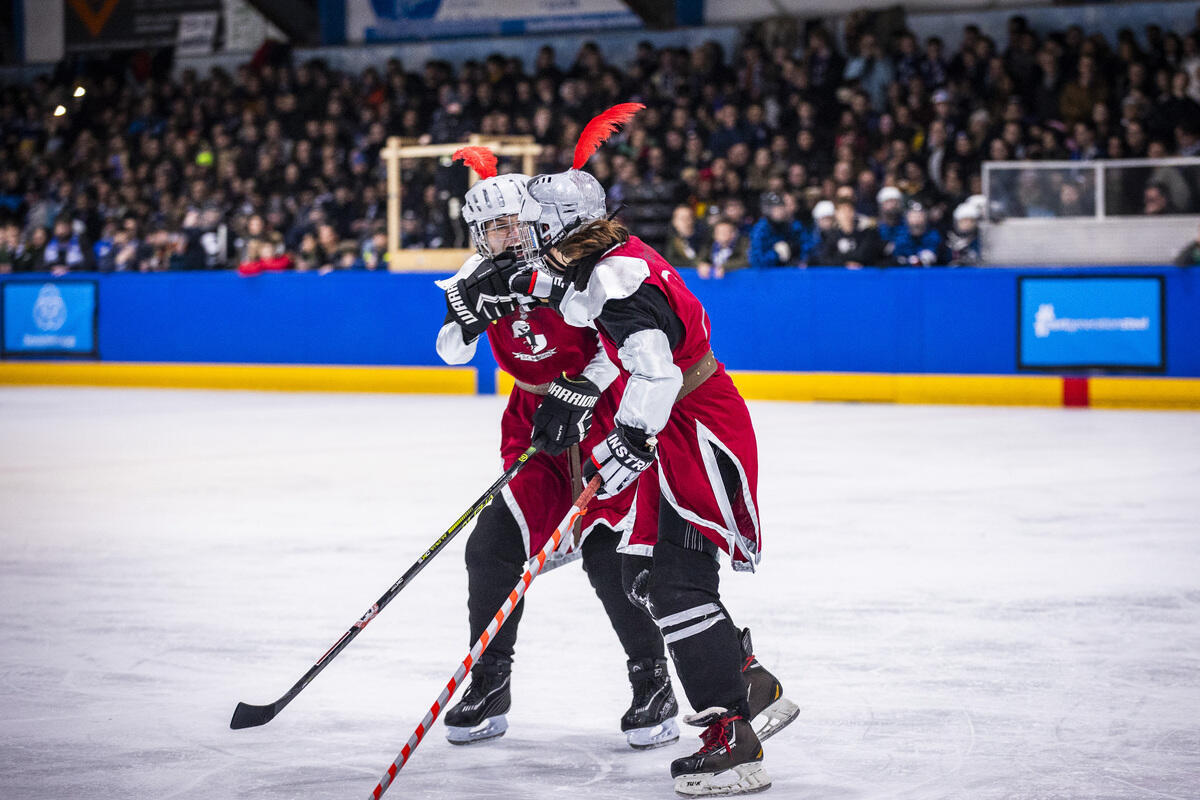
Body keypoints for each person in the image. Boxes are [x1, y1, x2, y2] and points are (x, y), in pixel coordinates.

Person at [513, 105, 797, 796]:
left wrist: (632, 437)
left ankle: (732, 738)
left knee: (674, 584)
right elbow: (628, 345)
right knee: (643, 575)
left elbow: (656, 369)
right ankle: (747, 682)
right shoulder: (611, 261)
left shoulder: (615, 279)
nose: (526, 240)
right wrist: (579, 391)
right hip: (683, 418)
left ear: (558, 228)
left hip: (691, 426)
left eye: (533, 229)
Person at [434, 148, 678, 750]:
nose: (506, 236)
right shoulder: (472, 276)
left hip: (598, 412)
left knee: (607, 555)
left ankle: (653, 685)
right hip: (532, 423)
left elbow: (611, 336)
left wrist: (584, 387)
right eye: (493, 228)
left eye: (515, 224)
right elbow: (451, 353)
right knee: (491, 547)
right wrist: (463, 321)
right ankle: (489, 684)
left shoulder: (566, 266)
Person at [814, 197, 885, 267]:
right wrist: (844, 264)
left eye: (849, 210)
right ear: (836, 214)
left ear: (854, 212)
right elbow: (824, 259)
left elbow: (865, 255)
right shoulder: (831, 236)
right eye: (842, 211)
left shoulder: (866, 233)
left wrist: (840, 256)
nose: (846, 215)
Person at [748, 192, 806, 268]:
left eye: (781, 207)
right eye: (775, 208)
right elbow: (757, 261)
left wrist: (794, 252)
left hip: (788, 272)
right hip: (768, 275)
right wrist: (776, 254)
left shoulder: (792, 226)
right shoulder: (760, 230)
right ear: (767, 210)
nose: (780, 211)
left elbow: (804, 246)